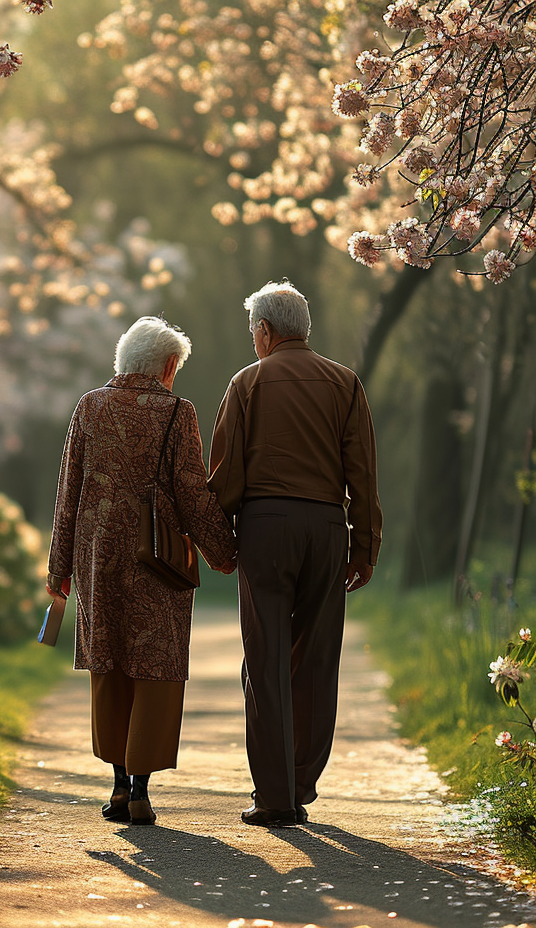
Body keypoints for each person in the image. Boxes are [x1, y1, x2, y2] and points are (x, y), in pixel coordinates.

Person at [46, 316, 236, 826]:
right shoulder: (177, 412)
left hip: (97, 554)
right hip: (158, 558)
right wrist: (224, 550)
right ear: (169, 365)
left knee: (109, 662)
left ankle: (116, 785)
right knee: (156, 665)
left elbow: (69, 492)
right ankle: (142, 792)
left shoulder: (89, 405)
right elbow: (193, 490)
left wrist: (59, 566)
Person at [207, 280, 382, 828]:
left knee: (265, 661)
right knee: (315, 659)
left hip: (267, 528)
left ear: (264, 331)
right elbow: (364, 475)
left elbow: (227, 475)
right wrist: (365, 545)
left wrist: (219, 541)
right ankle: (302, 780)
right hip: (327, 528)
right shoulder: (346, 383)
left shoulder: (247, 382)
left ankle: (276, 797)